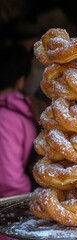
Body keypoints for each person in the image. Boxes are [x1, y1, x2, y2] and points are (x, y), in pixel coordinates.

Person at [0, 44, 38, 198]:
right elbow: (10, 182)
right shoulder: (11, 115)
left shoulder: (10, 115)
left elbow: (10, 182)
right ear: (21, 81)